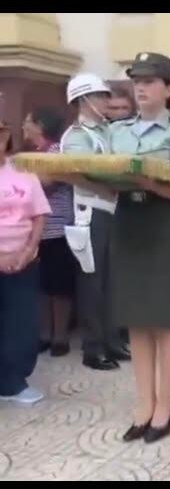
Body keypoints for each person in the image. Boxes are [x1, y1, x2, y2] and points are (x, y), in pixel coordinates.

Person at [109, 52, 170, 443]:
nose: (141, 87)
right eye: (136, 80)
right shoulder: (118, 132)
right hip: (128, 222)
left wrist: (146, 182)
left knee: (167, 317)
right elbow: (105, 178)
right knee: (137, 317)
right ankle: (143, 403)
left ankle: (165, 404)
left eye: (150, 80)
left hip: (165, 225)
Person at [60, 73, 131, 371]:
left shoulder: (105, 131)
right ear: (83, 99)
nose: (106, 100)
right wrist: (107, 187)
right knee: (93, 282)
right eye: (100, 96)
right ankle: (93, 347)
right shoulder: (77, 136)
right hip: (90, 211)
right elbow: (78, 173)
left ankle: (112, 340)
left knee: (113, 281)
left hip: (112, 209)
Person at [0, 119, 50, 405]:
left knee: (22, 323)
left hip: (24, 260)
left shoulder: (23, 172)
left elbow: (39, 214)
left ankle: (14, 382)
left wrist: (29, 249)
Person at [23, 108, 75, 358]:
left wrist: (23, 177)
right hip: (34, 231)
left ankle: (60, 335)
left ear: (40, 125)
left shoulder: (57, 152)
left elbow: (47, 183)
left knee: (59, 285)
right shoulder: (33, 155)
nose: (24, 127)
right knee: (41, 285)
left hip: (57, 228)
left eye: (28, 122)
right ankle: (44, 333)